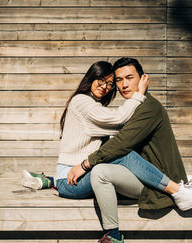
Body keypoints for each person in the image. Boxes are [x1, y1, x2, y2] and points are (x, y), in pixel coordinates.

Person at [65, 58, 192, 243]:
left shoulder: (148, 107)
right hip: (142, 174)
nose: (123, 84)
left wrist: (85, 164)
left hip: (149, 181)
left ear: (143, 79)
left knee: (101, 170)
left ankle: (114, 236)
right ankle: (178, 183)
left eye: (129, 78)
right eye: (118, 80)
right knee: (107, 159)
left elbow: (121, 144)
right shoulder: (135, 106)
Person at [22, 60, 149, 198]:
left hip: (74, 177)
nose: (105, 86)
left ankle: (49, 181)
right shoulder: (82, 101)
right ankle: (167, 188)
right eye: (101, 80)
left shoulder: (93, 104)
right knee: (123, 154)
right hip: (71, 182)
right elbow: (118, 119)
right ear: (91, 78)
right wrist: (139, 96)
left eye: (110, 84)